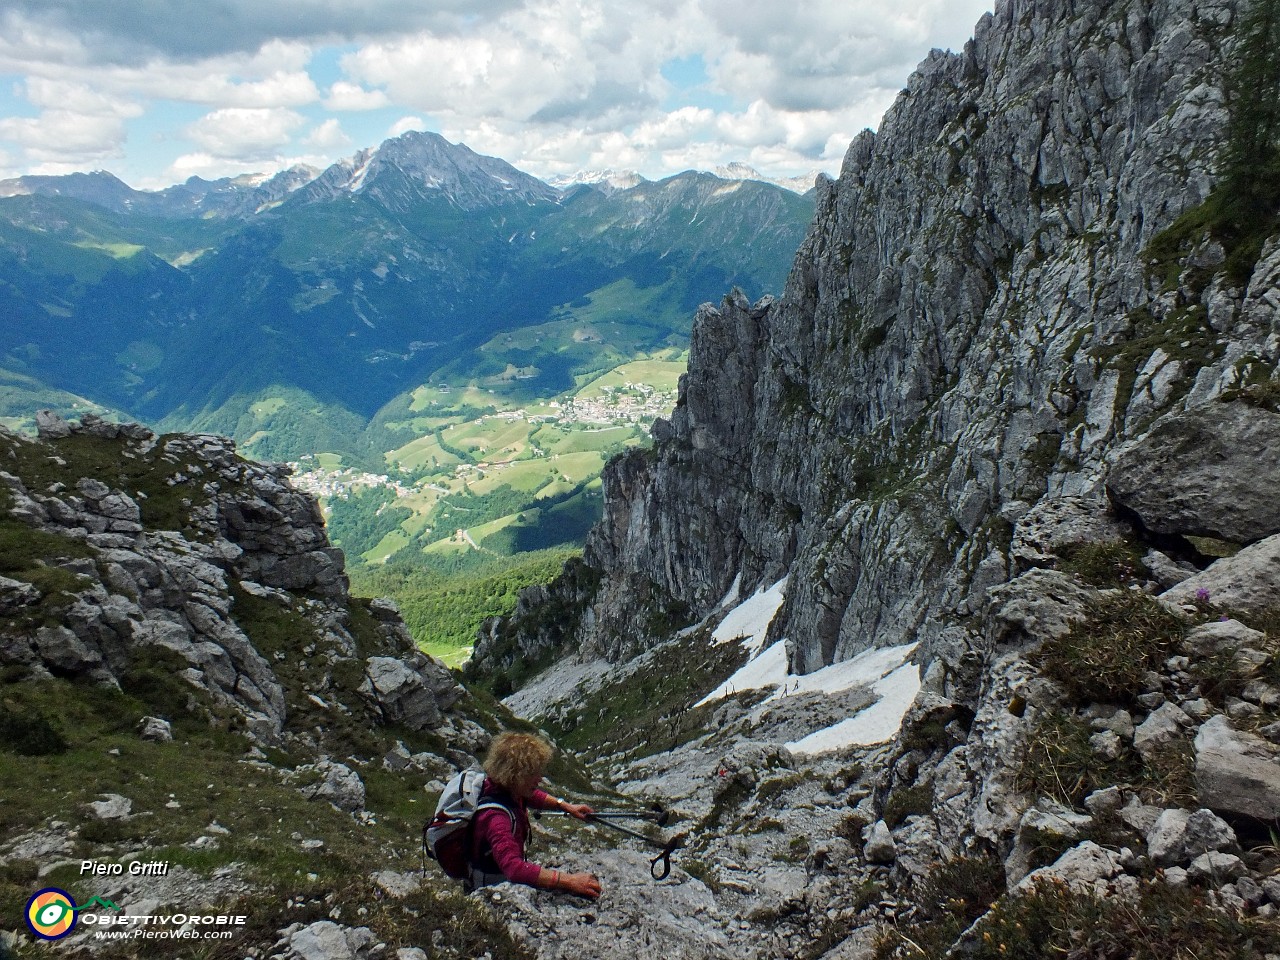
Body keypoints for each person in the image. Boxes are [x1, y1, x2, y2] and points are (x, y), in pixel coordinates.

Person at [469, 732, 603, 899]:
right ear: (515, 775)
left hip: (501, 879)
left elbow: (532, 796)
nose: (539, 779)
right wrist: (571, 881)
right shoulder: (495, 818)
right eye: (533, 774)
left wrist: (565, 806)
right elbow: (514, 868)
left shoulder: (503, 788)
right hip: (492, 890)